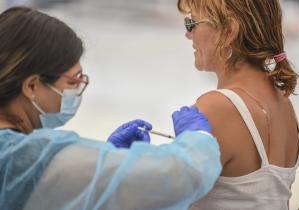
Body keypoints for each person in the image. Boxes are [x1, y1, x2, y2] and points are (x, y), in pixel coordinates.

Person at [0, 7, 222, 210]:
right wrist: (197, 137)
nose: (78, 91)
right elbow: (183, 175)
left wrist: (105, 162)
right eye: (73, 82)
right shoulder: (25, 158)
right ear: (31, 86)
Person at [177, 0, 299, 209]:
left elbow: (160, 198)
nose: (188, 34)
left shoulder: (217, 107)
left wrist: (124, 158)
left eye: (192, 23)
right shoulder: (283, 102)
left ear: (229, 31)